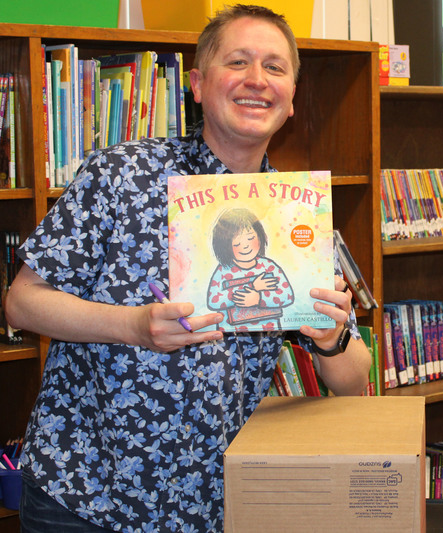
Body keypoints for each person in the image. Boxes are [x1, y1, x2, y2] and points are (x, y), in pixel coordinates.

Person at [5, 5, 372, 532]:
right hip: (85, 493)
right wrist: (132, 326)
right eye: (237, 62)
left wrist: (332, 337)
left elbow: (353, 380)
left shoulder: (294, 213)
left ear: (292, 98)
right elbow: (22, 301)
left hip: (213, 506)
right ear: (197, 85)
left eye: (274, 67)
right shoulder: (120, 174)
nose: (256, 79)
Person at [207, 208, 294, 331]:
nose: (245, 246)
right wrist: (252, 287)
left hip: (269, 333)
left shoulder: (269, 266)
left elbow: (287, 296)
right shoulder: (223, 271)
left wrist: (259, 298)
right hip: (229, 335)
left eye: (250, 238)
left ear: (260, 237)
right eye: (237, 243)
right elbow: (213, 301)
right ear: (225, 246)